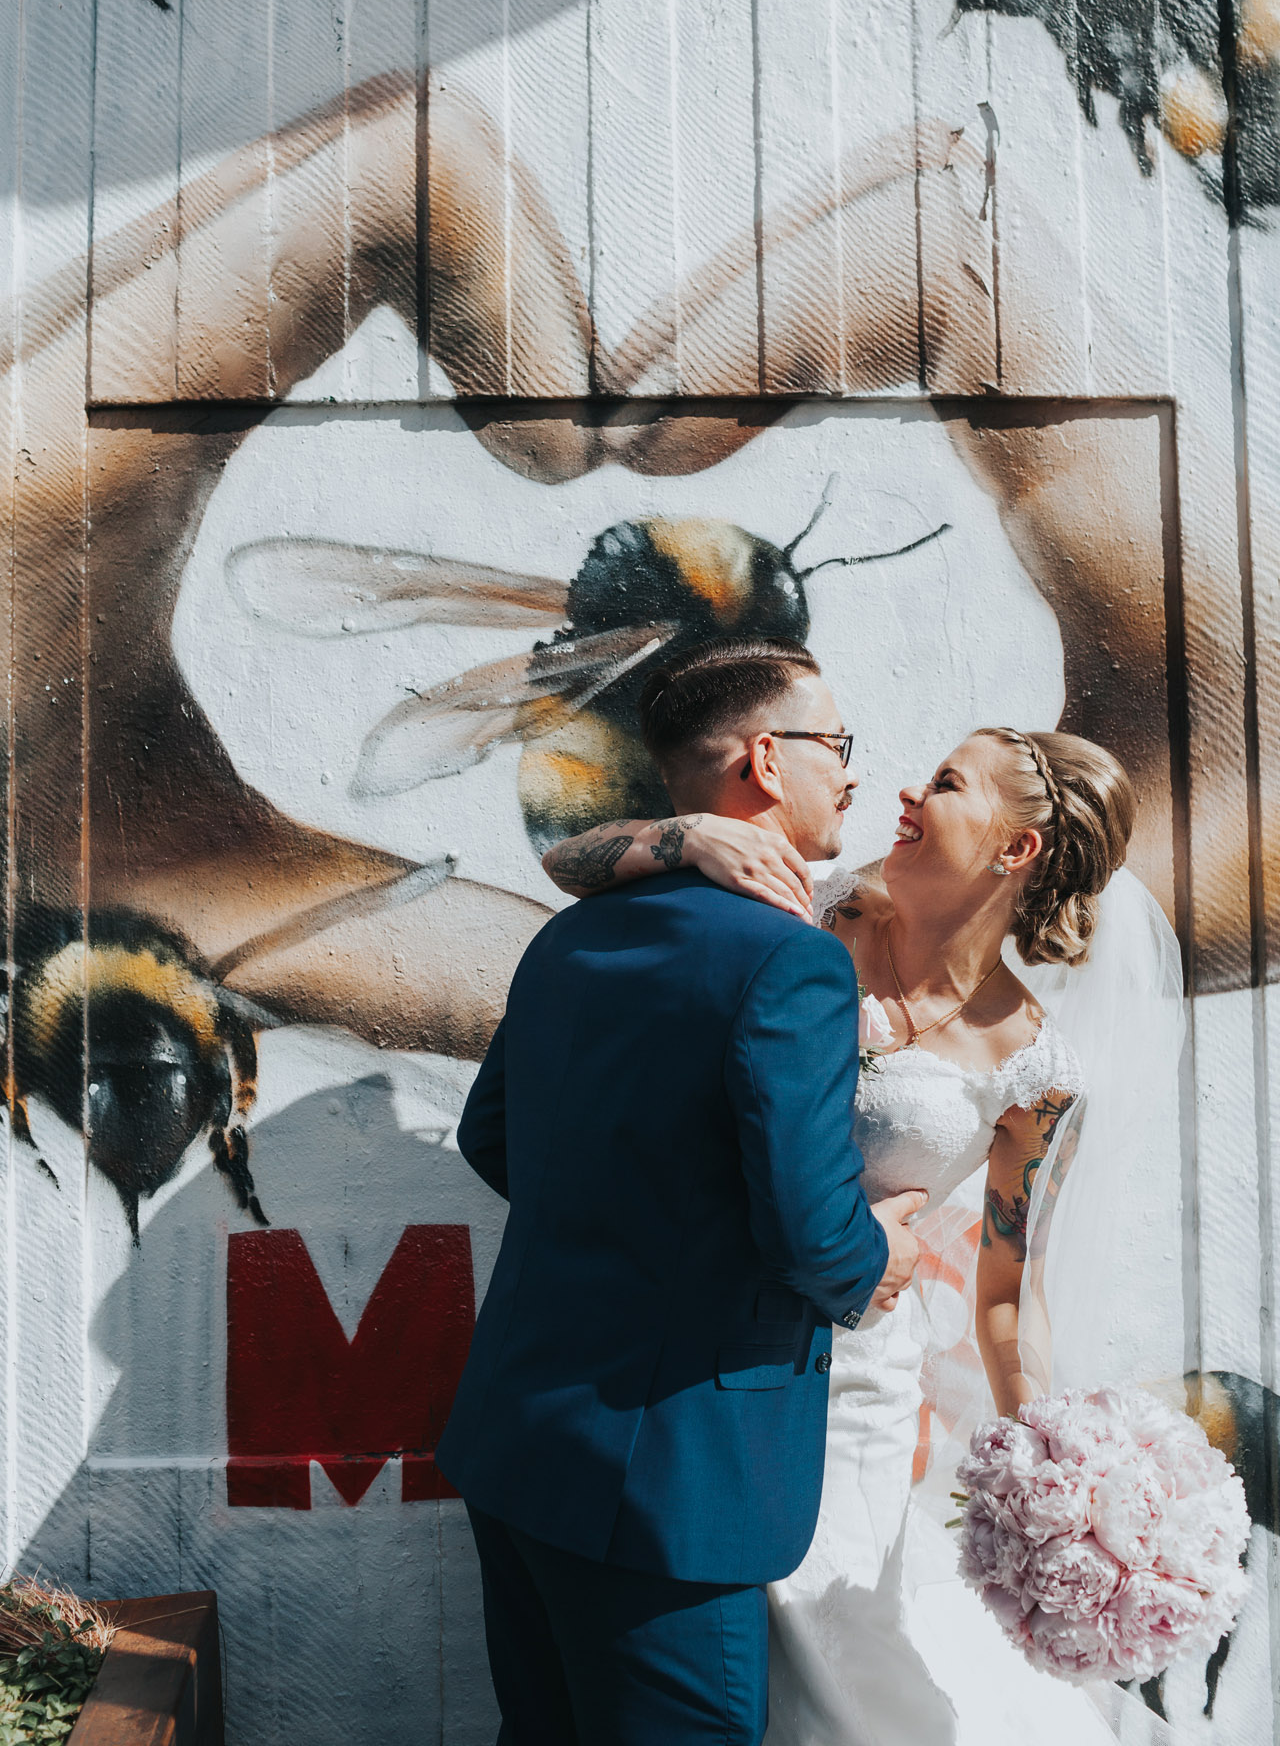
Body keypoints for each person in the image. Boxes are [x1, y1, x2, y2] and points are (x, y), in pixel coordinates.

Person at [544, 709, 1181, 1744]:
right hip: (691, 1360)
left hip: (853, 1400)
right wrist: (688, 837)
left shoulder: (1036, 1072)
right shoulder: (804, 903)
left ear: (1014, 849)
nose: (904, 794)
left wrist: (1058, 1480)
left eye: (943, 783)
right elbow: (568, 863)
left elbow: (1004, 1298)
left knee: (842, 1678)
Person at [435, 638, 927, 1745]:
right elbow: (810, 1231)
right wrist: (877, 1258)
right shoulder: (791, 962)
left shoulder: (570, 937)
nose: (850, 771)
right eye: (835, 745)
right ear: (766, 759)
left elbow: (492, 1135)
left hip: (517, 1442)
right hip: (666, 1489)